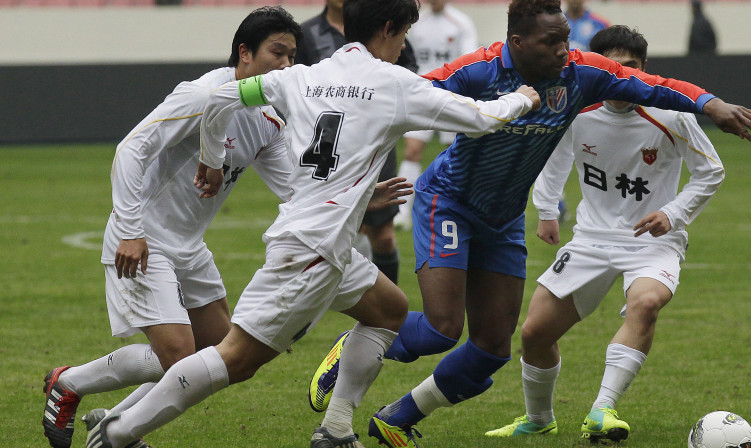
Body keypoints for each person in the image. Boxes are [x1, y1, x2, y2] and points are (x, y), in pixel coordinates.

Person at [80, 0, 539, 447]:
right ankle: (117, 432)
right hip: (313, 249)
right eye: (403, 35)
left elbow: (221, 98)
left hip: (321, 238)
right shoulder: (394, 83)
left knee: (389, 310)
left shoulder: (303, 76)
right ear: (386, 28)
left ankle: (336, 429)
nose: (403, 46)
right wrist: (522, 97)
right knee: (235, 359)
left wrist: (211, 158)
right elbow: (480, 118)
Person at [309, 0, 751, 446]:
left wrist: (711, 105)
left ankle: (396, 420)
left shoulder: (580, 72)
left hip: (504, 219)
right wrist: (355, 177)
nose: (563, 50)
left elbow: (652, 85)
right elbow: (401, 100)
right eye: (552, 41)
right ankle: (360, 340)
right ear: (518, 42)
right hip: (448, 202)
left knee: (492, 349)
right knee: (441, 328)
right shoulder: (479, 70)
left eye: (566, 38)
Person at [39, 7, 303, 448]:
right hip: (143, 239)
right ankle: (70, 383)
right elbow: (130, 149)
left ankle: (116, 420)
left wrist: (358, 197)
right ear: (245, 54)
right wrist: (130, 228)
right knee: (178, 355)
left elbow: (295, 189)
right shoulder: (202, 95)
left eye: (293, 57)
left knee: (224, 356)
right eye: (278, 53)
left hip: (189, 249)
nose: (286, 66)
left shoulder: (268, 120)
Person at [485, 24, 725, 443]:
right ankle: (539, 419)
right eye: (611, 67)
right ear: (596, 68)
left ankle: (602, 409)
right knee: (534, 334)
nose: (619, 76)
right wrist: (546, 210)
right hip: (591, 239)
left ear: (644, 70)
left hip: (653, 242)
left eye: (629, 67)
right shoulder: (578, 111)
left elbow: (710, 171)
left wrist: (673, 213)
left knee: (646, 302)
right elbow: (553, 158)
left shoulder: (671, 114)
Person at [296, 0, 420, 284]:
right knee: (334, 235)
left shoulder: (382, 25)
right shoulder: (308, 34)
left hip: (374, 145)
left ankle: (384, 312)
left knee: (384, 237)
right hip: (327, 150)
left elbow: (409, 68)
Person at [395, 0, 479, 229]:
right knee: (412, 150)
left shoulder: (461, 23)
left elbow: (469, 61)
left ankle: (451, 210)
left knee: (453, 156)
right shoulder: (416, 22)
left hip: (451, 96)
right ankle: (402, 213)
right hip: (420, 94)